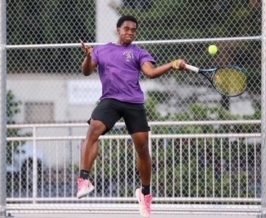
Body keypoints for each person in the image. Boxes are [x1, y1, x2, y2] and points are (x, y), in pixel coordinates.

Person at [77, 15, 186, 218]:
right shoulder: (102, 50)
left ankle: (144, 194)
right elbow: (86, 71)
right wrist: (88, 57)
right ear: (118, 30)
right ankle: (84, 180)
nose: (130, 32)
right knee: (93, 128)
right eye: (126, 28)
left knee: (143, 148)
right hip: (110, 100)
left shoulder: (139, 52)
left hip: (134, 103)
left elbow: (151, 73)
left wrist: (172, 64)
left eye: (133, 30)